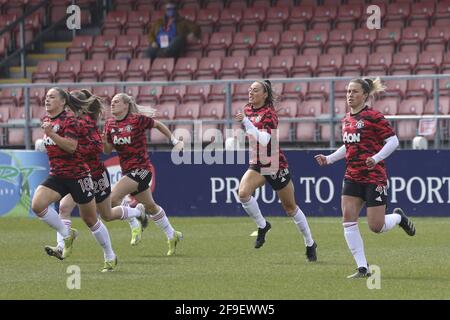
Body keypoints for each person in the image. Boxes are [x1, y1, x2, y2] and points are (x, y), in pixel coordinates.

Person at [314, 77, 416, 278]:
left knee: (376, 227)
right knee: (348, 219)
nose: (350, 95)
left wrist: (376, 158)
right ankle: (363, 268)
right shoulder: (346, 119)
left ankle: (398, 217)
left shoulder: (374, 116)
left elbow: (393, 141)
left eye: (355, 92)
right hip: (352, 176)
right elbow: (349, 146)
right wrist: (329, 158)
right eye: (348, 91)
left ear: (365, 95)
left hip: (373, 177)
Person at [43, 89, 148, 262]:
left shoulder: (85, 123)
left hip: (95, 174)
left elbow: (97, 148)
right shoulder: (64, 121)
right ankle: (62, 246)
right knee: (63, 207)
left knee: (106, 214)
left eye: (71, 103)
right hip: (76, 174)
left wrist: (74, 149)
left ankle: (135, 212)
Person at [31, 87, 117, 272]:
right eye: (46, 97)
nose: (47, 100)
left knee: (91, 219)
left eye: (52, 97)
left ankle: (110, 255)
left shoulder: (70, 121)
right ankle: (66, 234)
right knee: (38, 205)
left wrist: (51, 135)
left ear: (63, 102)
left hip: (78, 175)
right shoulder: (47, 120)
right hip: (58, 174)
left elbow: (71, 147)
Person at [234, 80, 317, 262]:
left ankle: (310, 243)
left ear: (265, 95)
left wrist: (246, 123)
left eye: (255, 90)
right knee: (243, 193)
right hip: (257, 163)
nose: (250, 92)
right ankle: (263, 226)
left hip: (274, 163)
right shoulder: (248, 109)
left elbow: (264, 140)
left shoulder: (269, 114)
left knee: (290, 208)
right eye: (249, 90)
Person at [103, 93, 184, 256]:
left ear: (126, 105)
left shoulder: (136, 120)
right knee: (151, 206)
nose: (112, 104)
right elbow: (107, 151)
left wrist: (174, 140)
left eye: (116, 102)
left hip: (142, 169)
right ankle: (172, 234)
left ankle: (136, 219)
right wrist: (105, 140)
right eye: (111, 102)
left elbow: (158, 125)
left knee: (112, 199)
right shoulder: (109, 124)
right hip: (128, 170)